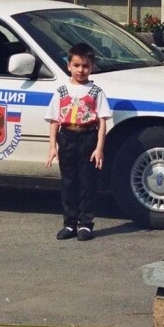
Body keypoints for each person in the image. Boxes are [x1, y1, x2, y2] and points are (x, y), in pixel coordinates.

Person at [45, 42, 112, 241]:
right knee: (69, 182)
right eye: (76, 65)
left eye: (85, 66)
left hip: (88, 138)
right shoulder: (61, 91)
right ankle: (70, 223)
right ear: (69, 66)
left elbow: (102, 121)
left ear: (91, 67)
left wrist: (99, 148)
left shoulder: (96, 92)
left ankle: (85, 224)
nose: (80, 70)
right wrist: (52, 147)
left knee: (87, 182)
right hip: (67, 138)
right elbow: (54, 120)